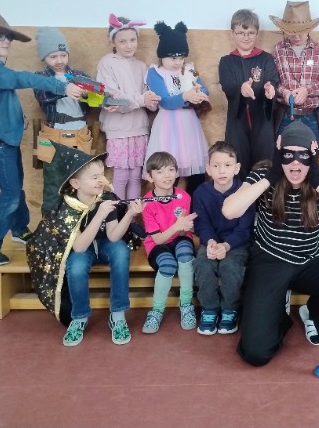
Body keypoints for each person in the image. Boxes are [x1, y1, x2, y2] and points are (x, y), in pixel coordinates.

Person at [222, 122, 319, 367]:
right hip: (270, 260)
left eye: (303, 156)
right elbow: (230, 210)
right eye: (288, 155)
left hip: (311, 260)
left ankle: (314, 313)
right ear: (278, 154)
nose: (295, 164)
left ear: (312, 155)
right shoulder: (264, 174)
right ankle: (277, 315)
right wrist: (271, 176)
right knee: (256, 353)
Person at [0, 11, 87, 266]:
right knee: (10, 193)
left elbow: (0, 98)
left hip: (6, 138)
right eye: (0, 36)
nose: (6, 41)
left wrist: (17, 117)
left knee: (15, 188)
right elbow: (22, 79)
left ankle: (19, 229)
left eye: (8, 37)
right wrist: (62, 87)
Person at [26, 143, 142, 346]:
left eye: (102, 175)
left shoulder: (107, 198)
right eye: (94, 177)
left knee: (121, 252)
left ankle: (118, 315)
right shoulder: (68, 207)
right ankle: (79, 317)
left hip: (105, 243)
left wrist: (130, 214)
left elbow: (114, 236)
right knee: (76, 265)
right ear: (76, 183)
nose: (101, 180)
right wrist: (99, 215)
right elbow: (79, 247)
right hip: (83, 247)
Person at [192, 141, 255, 336]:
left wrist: (227, 246)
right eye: (216, 165)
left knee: (230, 266)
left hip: (236, 243)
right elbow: (202, 224)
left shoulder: (244, 192)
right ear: (208, 168)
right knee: (203, 263)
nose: (222, 171)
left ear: (236, 168)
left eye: (227, 165)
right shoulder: (201, 193)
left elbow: (245, 229)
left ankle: (229, 309)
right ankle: (209, 309)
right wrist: (211, 242)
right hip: (211, 242)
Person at [33, 27, 97, 215]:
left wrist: (93, 96)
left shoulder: (80, 75)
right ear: (44, 57)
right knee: (53, 186)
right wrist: (65, 89)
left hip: (80, 135)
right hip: (54, 136)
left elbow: (95, 100)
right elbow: (43, 96)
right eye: (53, 56)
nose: (59, 60)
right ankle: (49, 227)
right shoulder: (41, 78)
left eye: (63, 55)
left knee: (81, 185)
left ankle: (80, 226)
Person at [96, 14, 160, 200]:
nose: (129, 45)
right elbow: (114, 99)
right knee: (121, 176)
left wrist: (152, 100)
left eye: (132, 40)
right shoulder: (107, 63)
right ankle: (118, 215)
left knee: (135, 177)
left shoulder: (142, 66)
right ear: (112, 42)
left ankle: (131, 215)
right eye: (122, 41)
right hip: (119, 130)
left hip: (139, 128)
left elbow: (148, 98)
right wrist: (142, 100)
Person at [146, 21, 210, 194]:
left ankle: (195, 205)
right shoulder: (155, 73)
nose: (178, 62)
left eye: (181, 58)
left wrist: (199, 93)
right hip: (168, 127)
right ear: (162, 56)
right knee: (167, 169)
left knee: (195, 168)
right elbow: (164, 101)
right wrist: (186, 97)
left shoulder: (188, 69)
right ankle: (167, 206)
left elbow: (204, 88)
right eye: (173, 58)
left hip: (189, 125)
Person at [140, 151, 198, 334]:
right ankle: (157, 310)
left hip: (180, 238)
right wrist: (177, 226)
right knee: (168, 265)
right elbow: (157, 239)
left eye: (171, 170)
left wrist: (186, 227)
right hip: (158, 244)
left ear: (176, 172)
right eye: (160, 171)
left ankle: (186, 304)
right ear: (150, 177)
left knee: (185, 256)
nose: (167, 175)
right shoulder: (147, 202)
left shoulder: (184, 197)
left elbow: (184, 231)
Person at [218, 9, 279, 176]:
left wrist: (270, 89)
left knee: (265, 164)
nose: (246, 37)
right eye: (241, 33)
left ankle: (264, 193)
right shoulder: (226, 61)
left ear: (257, 33)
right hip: (237, 122)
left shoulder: (266, 59)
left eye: (251, 33)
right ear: (232, 33)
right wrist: (241, 89)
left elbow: (272, 80)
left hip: (263, 121)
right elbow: (227, 85)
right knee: (237, 163)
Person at [270, 1, 319, 142]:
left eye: (300, 33)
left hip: (311, 116)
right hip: (284, 115)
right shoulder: (278, 50)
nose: (296, 37)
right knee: (282, 151)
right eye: (291, 33)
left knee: (313, 153)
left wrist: (307, 90)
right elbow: (272, 81)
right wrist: (284, 92)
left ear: (309, 29)